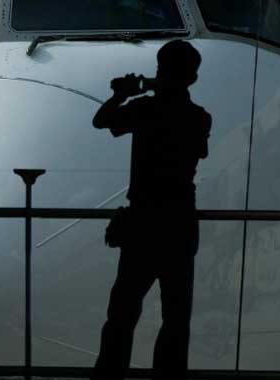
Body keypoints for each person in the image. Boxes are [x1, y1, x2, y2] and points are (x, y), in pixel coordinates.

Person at [91, 40, 211, 380]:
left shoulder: (144, 110)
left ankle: (109, 375)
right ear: (193, 77)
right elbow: (198, 150)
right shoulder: (199, 117)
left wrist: (123, 94)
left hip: (143, 222)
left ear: (161, 71)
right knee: (176, 316)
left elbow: (101, 121)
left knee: (122, 313)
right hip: (179, 224)